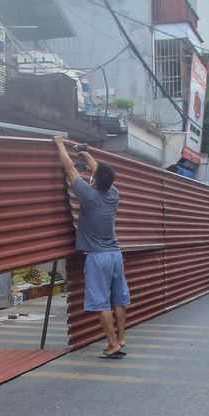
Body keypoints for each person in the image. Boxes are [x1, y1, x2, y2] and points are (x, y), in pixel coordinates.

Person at [55, 135, 129, 359]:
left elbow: (69, 168)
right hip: (116, 254)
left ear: (94, 181)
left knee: (101, 302)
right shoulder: (113, 194)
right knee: (118, 298)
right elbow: (101, 173)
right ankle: (122, 338)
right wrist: (86, 154)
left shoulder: (88, 196)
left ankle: (112, 344)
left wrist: (59, 144)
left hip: (98, 257)